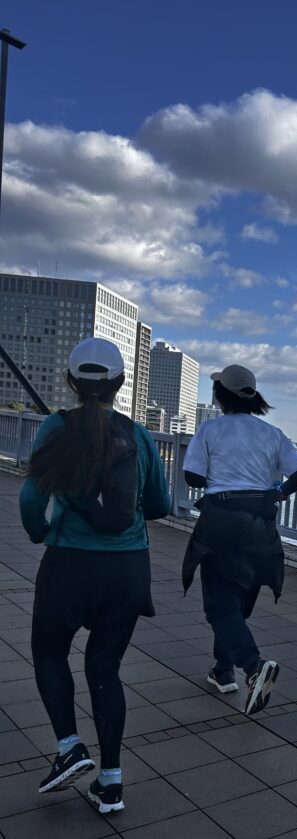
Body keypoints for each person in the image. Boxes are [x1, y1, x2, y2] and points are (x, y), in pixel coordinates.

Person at [19, 338, 171, 813]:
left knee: (49, 650)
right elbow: (161, 506)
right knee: (105, 668)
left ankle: (69, 747)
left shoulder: (54, 427)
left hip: (69, 564)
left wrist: (42, 532)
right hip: (126, 570)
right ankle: (111, 782)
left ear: (70, 381)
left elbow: (30, 501)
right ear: (120, 385)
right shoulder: (141, 436)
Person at [182, 364, 297, 715]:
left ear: (220, 396)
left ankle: (253, 667)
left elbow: (192, 475)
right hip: (260, 523)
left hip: (221, 520)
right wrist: (279, 492)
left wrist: (219, 476)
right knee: (237, 603)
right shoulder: (273, 433)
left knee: (219, 606)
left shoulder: (210, 429)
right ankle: (223, 671)